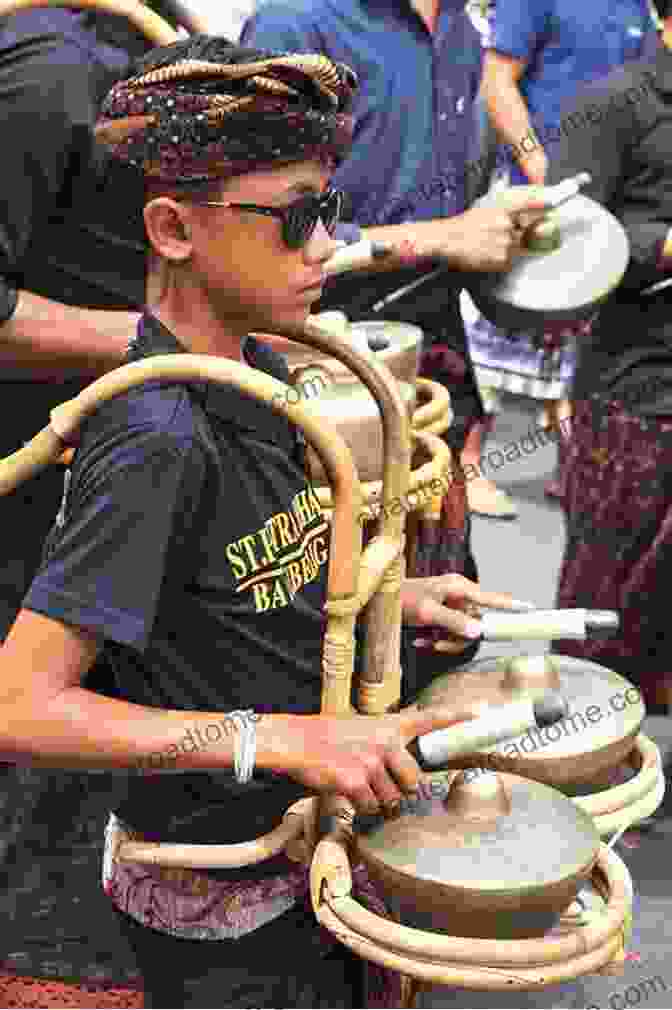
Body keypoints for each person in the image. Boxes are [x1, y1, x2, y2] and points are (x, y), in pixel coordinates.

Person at [0, 36, 541, 1009]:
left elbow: (237, 584)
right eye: (296, 219)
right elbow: (18, 704)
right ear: (172, 228)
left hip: (292, 851)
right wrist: (281, 738)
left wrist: (403, 593)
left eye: (327, 212)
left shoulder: (269, 371)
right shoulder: (155, 428)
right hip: (214, 891)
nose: (327, 246)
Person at [0, 5, 180, 1005]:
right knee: (40, 730)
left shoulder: (148, 37)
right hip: (34, 480)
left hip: (107, 462)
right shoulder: (49, 68)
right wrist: (162, 338)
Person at [241, 0, 527, 524]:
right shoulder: (297, 22)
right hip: (318, 352)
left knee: (435, 566)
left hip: (432, 353)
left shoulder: (462, 27)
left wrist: (494, 224)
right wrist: (439, 237)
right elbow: (260, 231)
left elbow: (441, 202)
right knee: (333, 571)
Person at [469, 0, 658, 501]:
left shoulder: (639, 6)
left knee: (580, 338)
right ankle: (469, 468)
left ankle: (574, 467)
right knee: (496, 342)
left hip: (608, 195)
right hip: (540, 196)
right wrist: (539, 166)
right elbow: (497, 81)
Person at [543, 0, 672, 714]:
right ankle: (572, 778)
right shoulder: (611, 106)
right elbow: (565, 237)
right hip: (636, 398)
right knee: (601, 609)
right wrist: (664, 245)